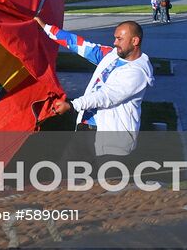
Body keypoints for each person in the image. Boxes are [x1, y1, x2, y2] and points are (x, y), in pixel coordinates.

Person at [39, 19, 153, 160]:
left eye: (119, 39)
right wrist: (48, 29)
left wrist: (72, 105)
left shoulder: (137, 73)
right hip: (85, 128)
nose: (115, 43)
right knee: (65, 176)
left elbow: (106, 96)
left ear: (135, 41)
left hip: (112, 138)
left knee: (108, 180)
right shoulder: (111, 55)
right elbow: (81, 45)